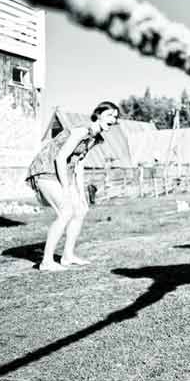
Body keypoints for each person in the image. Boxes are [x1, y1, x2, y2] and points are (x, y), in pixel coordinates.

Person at [25, 101, 120, 271]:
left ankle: (67, 257)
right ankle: (46, 261)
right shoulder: (82, 131)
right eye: (109, 115)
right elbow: (60, 158)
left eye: (115, 117)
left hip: (63, 172)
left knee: (81, 210)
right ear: (98, 115)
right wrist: (66, 188)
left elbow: (78, 164)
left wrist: (81, 194)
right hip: (45, 170)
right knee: (66, 211)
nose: (112, 119)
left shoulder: (95, 138)